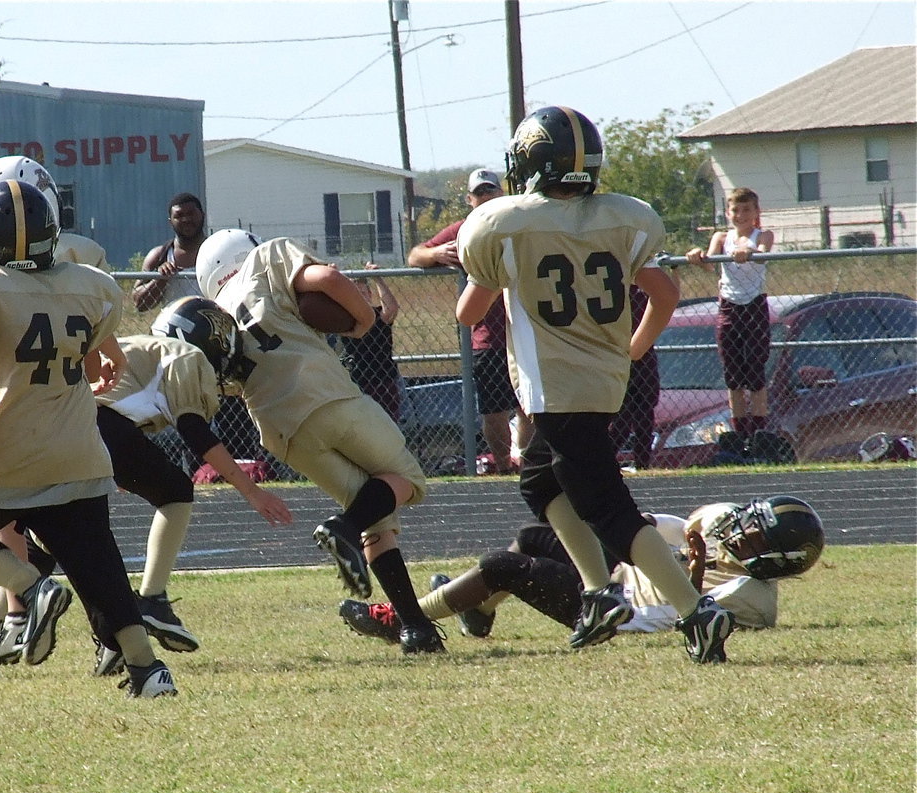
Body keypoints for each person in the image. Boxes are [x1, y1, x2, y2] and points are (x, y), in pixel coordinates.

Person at [455, 105, 736, 663]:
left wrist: (487, 274)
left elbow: (469, 314)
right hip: (599, 379)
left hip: (557, 385)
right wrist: (632, 349)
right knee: (540, 482)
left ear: (532, 164)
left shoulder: (504, 223)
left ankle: (696, 612)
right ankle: (597, 592)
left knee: (608, 508)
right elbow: (666, 294)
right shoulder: (620, 217)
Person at [0, 179, 177, 697]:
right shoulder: (90, 285)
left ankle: (30, 589)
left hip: (11, 447)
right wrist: (107, 361)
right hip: (77, 449)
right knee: (98, 565)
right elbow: (92, 349)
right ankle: (149, 671)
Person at [0, 325, 295, 679]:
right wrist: (252, 491)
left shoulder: (133, 347)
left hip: (52, 431)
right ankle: (151, 600)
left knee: (44, 547)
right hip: (96, 427)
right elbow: (193, 430)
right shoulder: (186, 356)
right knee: (176, 493)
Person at [176, 228, 444, 654]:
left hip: (280, 430)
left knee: (374, 509)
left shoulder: (215, 314)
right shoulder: (268, 255)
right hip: (323, 392)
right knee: (407, 481)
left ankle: (416, 628)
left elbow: (220, 385)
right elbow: (326, 280)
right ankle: (343, 527)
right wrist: (364, 321)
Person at [0, 156, 111, 680]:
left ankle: (18, 616)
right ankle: (27, 623)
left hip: (9, 411)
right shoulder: (77, 256)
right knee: (41, 530)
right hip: (58, 412)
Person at [337, 496, 825, 651]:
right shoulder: (716, 521)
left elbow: (690, 617)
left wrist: (694, 572)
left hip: (621, 614)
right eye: (748, 521)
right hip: (613, 576)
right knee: (533, 537)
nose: (740, 532)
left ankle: (406, 619)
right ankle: (479, 611)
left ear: (776, 562)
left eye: (757, 538)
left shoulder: (752, 595)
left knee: (501, 566)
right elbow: (653, 529)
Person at [408, 168, 530, 474]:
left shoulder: (520, 221)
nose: (487, 197)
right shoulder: (464, 230)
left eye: (492, 191)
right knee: (495, 411)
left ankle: (528, 464)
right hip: (488, 337)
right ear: (470, 198)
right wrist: (436, 252)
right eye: (481, 192)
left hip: (528, 330)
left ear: (502, 194)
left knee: (530, 407)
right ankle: (504, 467)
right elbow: (415, 256)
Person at [685, 187, 775, 450]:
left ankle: (758, 432)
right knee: (733, 374)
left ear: (756, 212)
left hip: (754, 305)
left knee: (755, 370)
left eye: (747, 210)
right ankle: (740, 434)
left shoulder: (763, 234)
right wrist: (696, 256)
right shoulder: (722, 237)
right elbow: (710, 262)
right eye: (736, 210)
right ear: (728, 212)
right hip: (729, 307)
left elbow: (761, 253)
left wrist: (750, 251)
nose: (741, 215)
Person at [608, 281, 661, 470]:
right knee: (621, 416)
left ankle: (643, 463)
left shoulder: (646, 287)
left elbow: (666, 299)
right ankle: (605, 460)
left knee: (645, 412)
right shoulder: (614, 286)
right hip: (618, 355)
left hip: (644, 354)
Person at [340, 263, 402, 422]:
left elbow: (391, 309)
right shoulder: (343, 318)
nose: (360, 298)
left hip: (382, 381)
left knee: (387, 425)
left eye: (363, 293)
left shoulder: (378, 316)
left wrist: (377, 278)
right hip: (354, 381)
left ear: (369, 294)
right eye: (355, 294)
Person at [131, 192, 207, 312]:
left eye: (191, 213)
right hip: (172, 328)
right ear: (170, 221)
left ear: (203, 215)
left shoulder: (220, 250)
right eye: (179, 215)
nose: (186, 219)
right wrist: (160, 279)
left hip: (215, 326)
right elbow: (139, 304)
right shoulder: (159, 255)